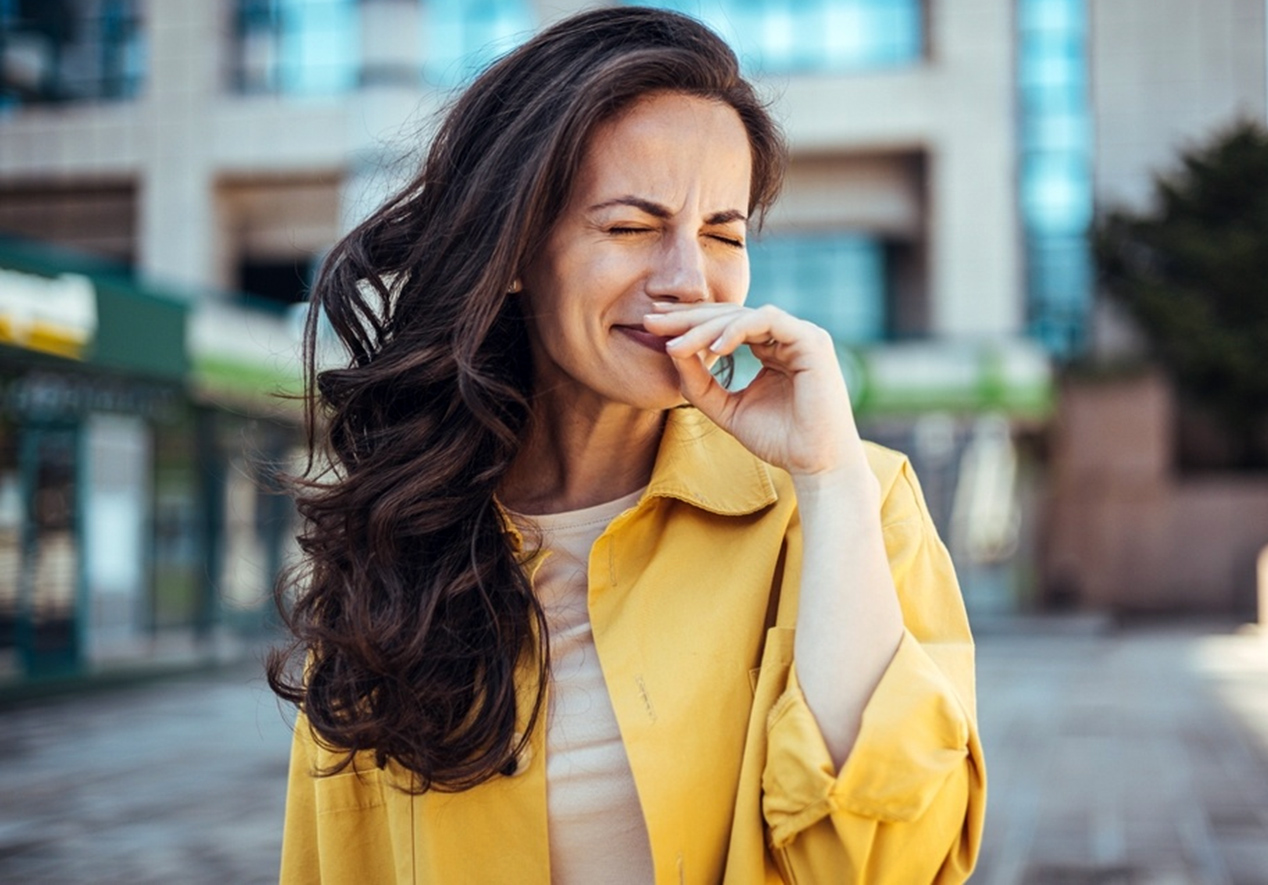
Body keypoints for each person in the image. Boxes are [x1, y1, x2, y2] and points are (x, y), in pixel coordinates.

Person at [269, 7, 985, 884]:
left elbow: (890, 862)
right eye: (632, 227)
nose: (687, 278)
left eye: (723, 232)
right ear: (519, 247)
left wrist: (829, 479)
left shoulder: (850, 503)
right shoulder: (399, 535)